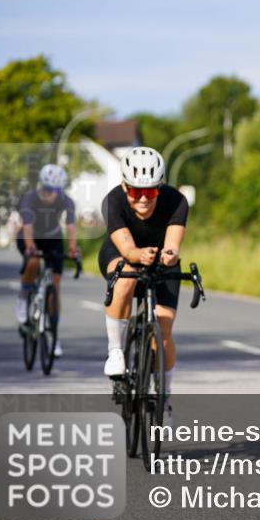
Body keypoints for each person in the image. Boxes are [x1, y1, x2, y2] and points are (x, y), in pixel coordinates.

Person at [99, 146, 188, 425]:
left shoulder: (176, 201)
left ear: (159, 188)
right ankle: (116, 351)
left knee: (164, 327)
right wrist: (139, 255)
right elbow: (127, 248)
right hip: (121, 254)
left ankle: (164, 396)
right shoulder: (113, 200)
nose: (143, 198)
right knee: (126, 275)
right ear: (125, 186)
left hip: (160, 260)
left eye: (150, 191)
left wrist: (169, 255)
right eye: (136, 191)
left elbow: (173, 244)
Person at [15, 163, 78, 357]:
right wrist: (30, 246)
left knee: (55, 288)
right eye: (49, 189)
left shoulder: (66, 200)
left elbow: (71, 226)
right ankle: (23, 298)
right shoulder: (30, 199)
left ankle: (54, 336)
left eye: (57, 190)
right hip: (30, 236)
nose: (53, 194)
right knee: (33, 262)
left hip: (52, 238)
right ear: (42, 186)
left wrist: (72, 248)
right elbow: (27, 227)